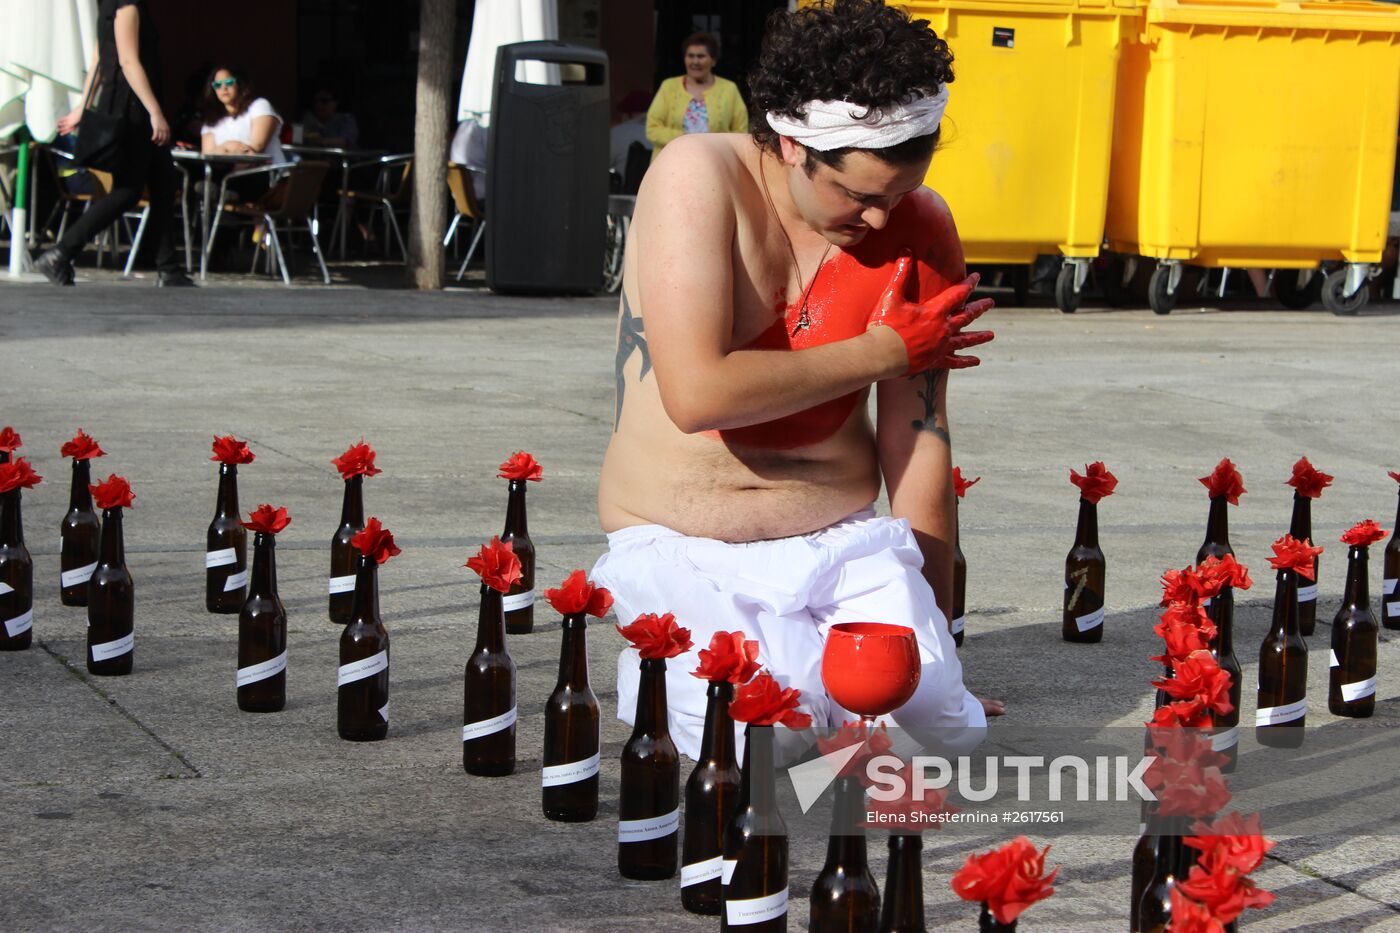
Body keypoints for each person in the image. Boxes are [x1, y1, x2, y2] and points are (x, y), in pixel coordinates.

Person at [593, 0, 1002, 763]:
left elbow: (918, 442)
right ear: (790, 144)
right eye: (859, 196)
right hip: (681, 540)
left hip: (841, 538)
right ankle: (656, 667)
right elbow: (698, 394)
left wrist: (940, 639)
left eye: (899, 195)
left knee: (939, 730)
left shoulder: (921, 222)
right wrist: (885, 351)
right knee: (768, 739)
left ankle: (858, 670)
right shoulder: (693, 177)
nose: (882, 222)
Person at [35, 0, 193, 287]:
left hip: (129, 106)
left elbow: (98, 60)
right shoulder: (126, 5)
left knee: (164, 183)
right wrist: (155, 111)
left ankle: (168, 267)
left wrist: (83, 108)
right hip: (132, 109)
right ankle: (61, 252)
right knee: (128, 190)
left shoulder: (108, 7)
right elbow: (128, 61)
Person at [645, 32, 748, 160]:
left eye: (701, 56)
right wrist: (687, 139)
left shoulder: (729, 89)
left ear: (713, 60)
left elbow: (741, 132)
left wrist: (712, 145)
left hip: (715, 163)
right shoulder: (669, 86)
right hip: (671, 162)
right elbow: (653, 128)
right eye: (690, 56)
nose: (695, 61)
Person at [199, 67, 286, 164]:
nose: (223, 88)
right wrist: (227, 146)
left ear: (239, 84)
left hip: (269, 175)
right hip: (226, 176)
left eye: (228, 82)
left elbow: (256, 149)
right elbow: (208, 158)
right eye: (218, 85)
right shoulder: (211, 121)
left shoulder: (259, 105)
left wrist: (224, 151)